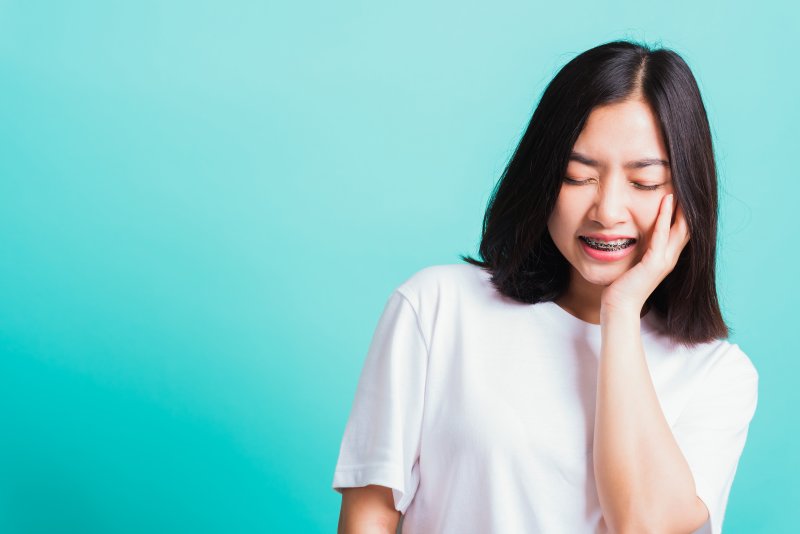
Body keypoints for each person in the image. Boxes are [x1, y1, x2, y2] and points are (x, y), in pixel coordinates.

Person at [331, 39, 759, 534]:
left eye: (643, 182)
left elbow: (646, 525)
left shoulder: (718, 376)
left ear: (686, 197)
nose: (607, 211)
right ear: (543, 179)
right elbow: (370, 516)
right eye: (578, 176)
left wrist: (620, 313)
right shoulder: (435, 308)